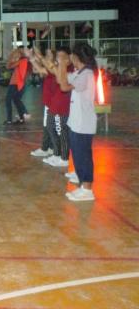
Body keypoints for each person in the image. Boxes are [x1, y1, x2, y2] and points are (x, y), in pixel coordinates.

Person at [57, 42, 98, 202]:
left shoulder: (86, 74)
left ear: (76, 57)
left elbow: (64, 87)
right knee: (78, 155)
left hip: (83, 123)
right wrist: (60, 65)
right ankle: (83, 186)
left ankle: (87, 189)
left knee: (84, 156)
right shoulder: (79, 72)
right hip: (76, 122)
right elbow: (61, 80)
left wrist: (62, 64)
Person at [39, 47, 73, 169]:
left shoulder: (70, 69)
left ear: (69, 57)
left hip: (62, 105)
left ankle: (64, 157)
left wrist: (41, 57)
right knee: (50, 127)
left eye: (62, 56)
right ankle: (57, 153)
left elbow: (59, 79)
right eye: (58, 56)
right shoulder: (59, 67)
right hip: (54, 103)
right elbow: (46, 69)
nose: (59, 59)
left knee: (61, 131)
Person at [26, 47, 56, 158]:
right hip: (48, 101)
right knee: (48, 125)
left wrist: (34, 57)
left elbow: (40, 70)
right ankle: (49, 147)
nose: (47, 56)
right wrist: (33, 57)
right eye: (46, 54)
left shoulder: (54, 68)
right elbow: (36, 70)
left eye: (49, 54)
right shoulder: (49, 67)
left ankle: (47, 148)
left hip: (53, 102)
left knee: (49, 125)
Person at [4, 47, 31, 124]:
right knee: (16, 100)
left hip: (15, 84)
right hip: (17, 83)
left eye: (19, 51)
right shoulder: (23, 60)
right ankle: (22, 117)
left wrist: (11, 55)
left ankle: (9, 119)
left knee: (8, 100)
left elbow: (8, 66)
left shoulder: (23, 60)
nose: (18, 53)